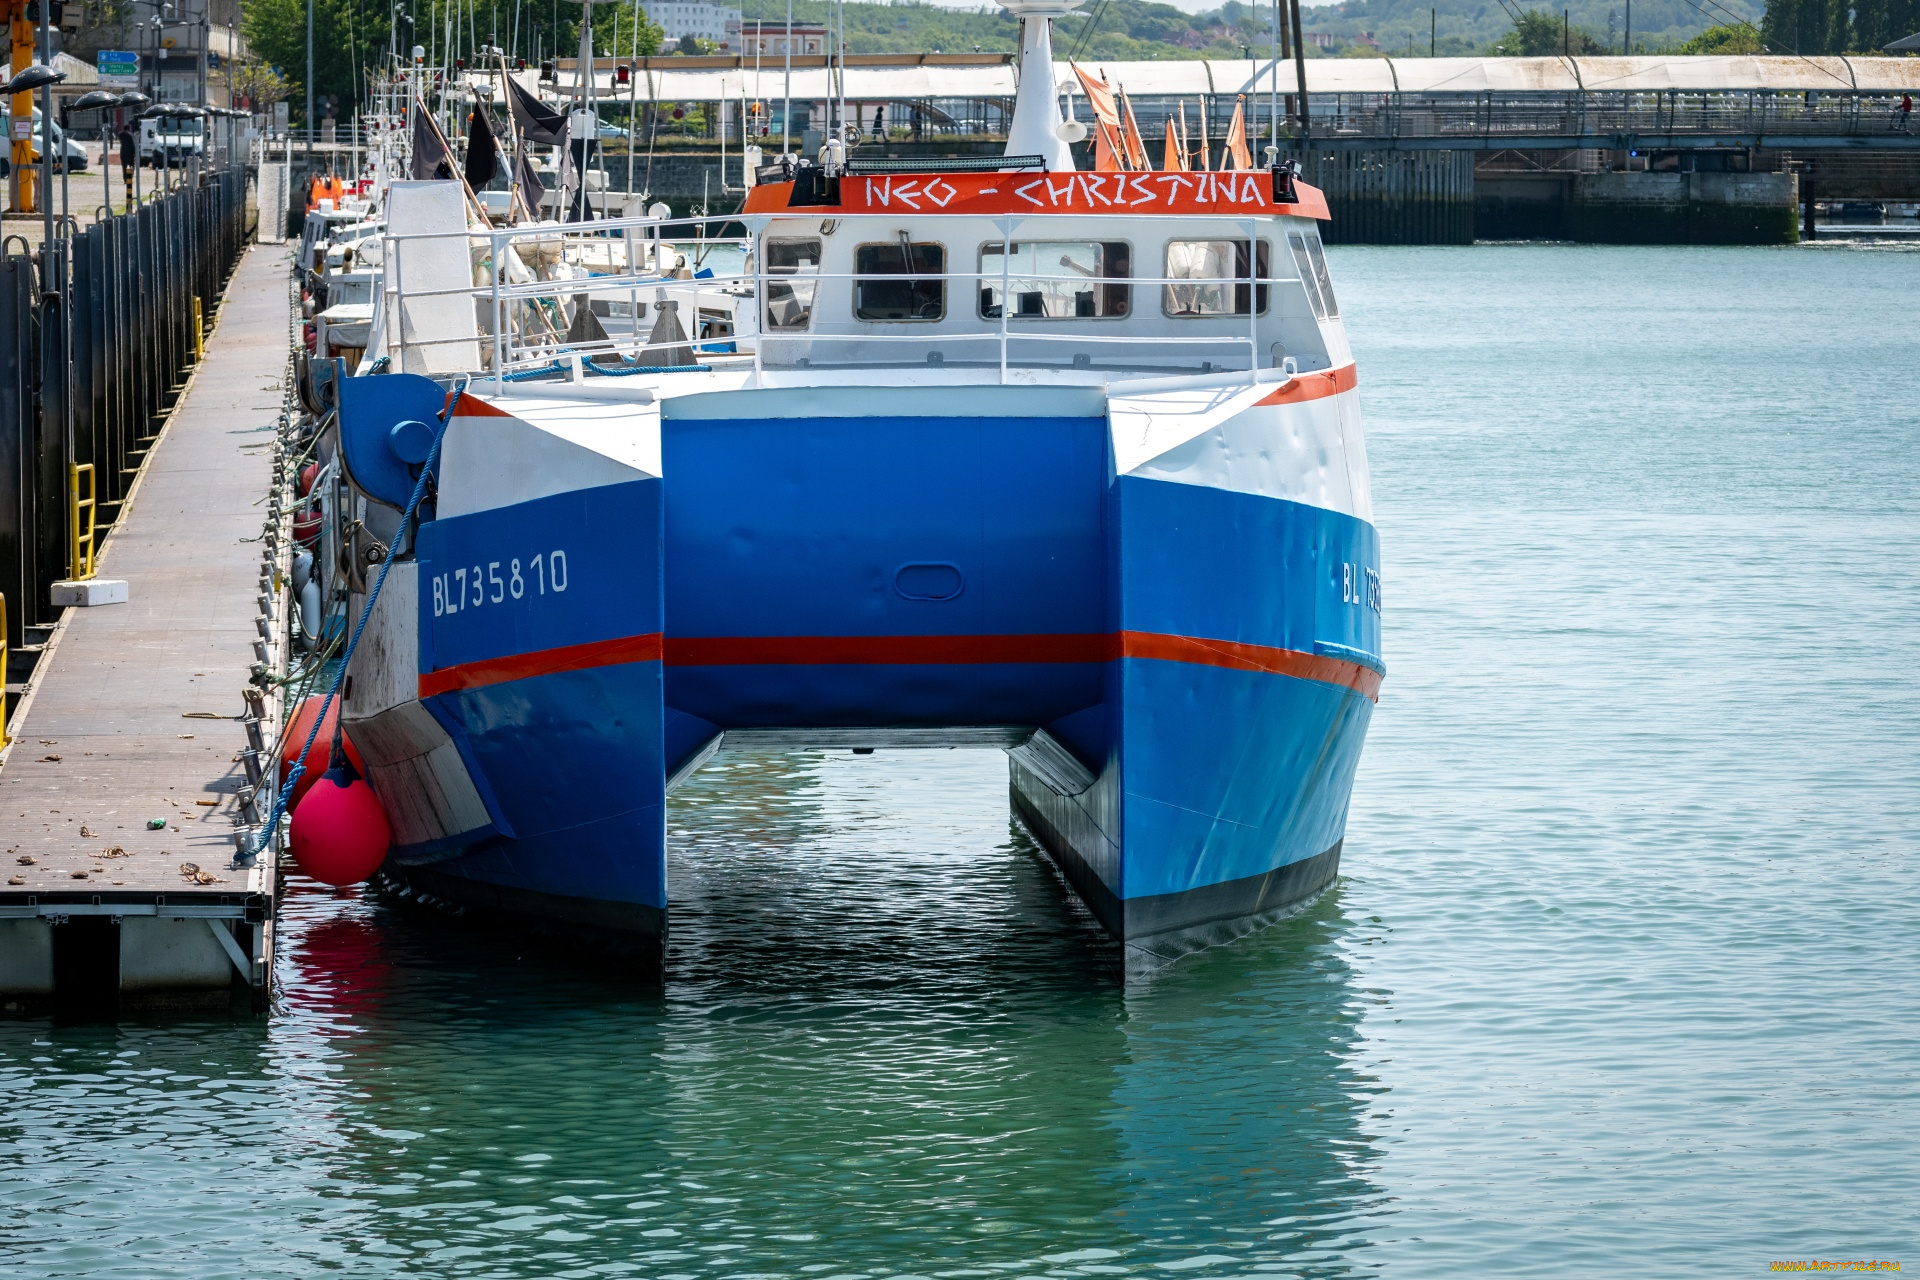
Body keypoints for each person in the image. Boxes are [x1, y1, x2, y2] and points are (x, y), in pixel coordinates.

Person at [117, 125, 135, 204]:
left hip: (123, 152)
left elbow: (119, 136)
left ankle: (125, 179)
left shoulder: (120, 135)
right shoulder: (130, 135)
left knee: (124, 167)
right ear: (129, 128)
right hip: (129, 153)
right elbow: (132, 144)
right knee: (131, 166)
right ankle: (130, 178)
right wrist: (134, 152)